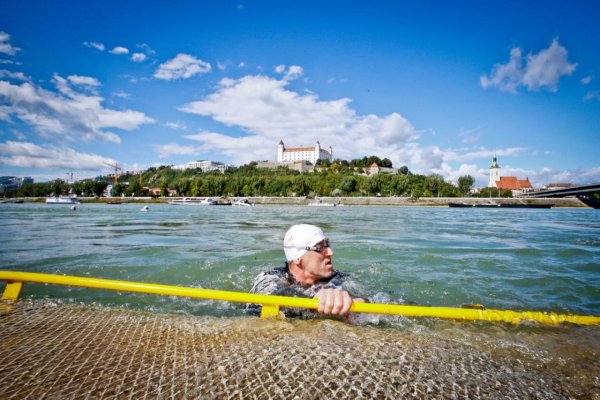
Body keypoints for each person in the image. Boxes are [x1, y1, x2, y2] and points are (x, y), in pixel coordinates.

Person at [247, 224, 364, 318]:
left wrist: (352, 301)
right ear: (297, 258)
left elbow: (372, 299)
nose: (330, 252)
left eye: (327, 245)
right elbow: (265, 302)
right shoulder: (269, 277)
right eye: (319, 247)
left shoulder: (339, 278)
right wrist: (314, 301)